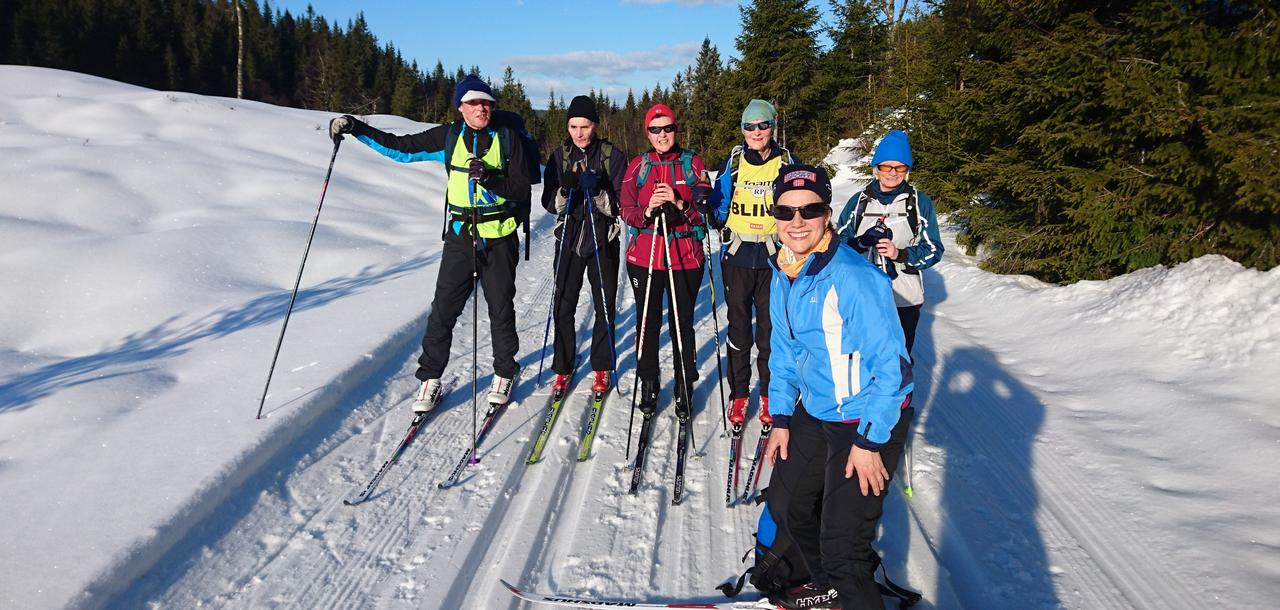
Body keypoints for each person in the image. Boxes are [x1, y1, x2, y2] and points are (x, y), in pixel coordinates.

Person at [328, 75, 533, 410]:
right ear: (461, 107)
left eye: (486, 103)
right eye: (474, 103)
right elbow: (400, 148)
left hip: (499, 236)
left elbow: (522, 188)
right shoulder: (449, 136)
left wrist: (491, 179)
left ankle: (505, 371)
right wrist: (357, 128)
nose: (482, 108)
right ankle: (430, 379)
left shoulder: (508, 137)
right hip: (459, 237)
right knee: (443, 311)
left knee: (500, 309)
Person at [763, 164, 913, 610]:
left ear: (827, 214)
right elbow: (784, 354)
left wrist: (869, 442)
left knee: (843, 547)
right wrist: (782, 418)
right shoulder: (785, 270)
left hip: (866, 417)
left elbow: (895, 369)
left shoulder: (853, 276)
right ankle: (832, 592)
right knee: (788, 505)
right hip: (817, 410)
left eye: (809, 210)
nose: (797, 221)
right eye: (787, 211)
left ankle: (848, 588)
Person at [707, 99, 799, 428]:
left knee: (771, 332)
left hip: (776, 257)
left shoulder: (787, 162)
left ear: (772, 127)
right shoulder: (732, 162)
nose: (756, 132)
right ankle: (739, 394)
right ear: (743, 130)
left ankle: (769, 394)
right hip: (738, 255)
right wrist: (709, 206)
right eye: (750, 126)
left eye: (763, 125)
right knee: (739, 329)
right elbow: (718, 207)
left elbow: (801, 202)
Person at [618, 103, 707, 420]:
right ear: (647, 133)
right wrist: (645, 212)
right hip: (645, 257)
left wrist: (680, 202)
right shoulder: (637, 167)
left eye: (667, 128)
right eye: (655, 129)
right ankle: (649, 381)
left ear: (676, 130)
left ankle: (685, 382)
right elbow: (625, 208)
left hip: (685, 257)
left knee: (682, 323)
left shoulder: (692, 164)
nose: (662, 134)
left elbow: (707, 210)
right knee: (647, 322)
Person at [540, 95, 629, 394]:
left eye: (585, 126)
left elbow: (621, 205)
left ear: (595, 125)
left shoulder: (611, 155)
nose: (579, 133)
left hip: (602, 239)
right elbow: (548, 204)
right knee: (563, 305)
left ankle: (601, 366)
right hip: (568, 239)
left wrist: (600, 190)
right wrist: (565, 190)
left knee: (604, 305)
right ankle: (563, 367)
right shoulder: (559, 155)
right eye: (573, 126)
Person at [834, 129, 943, 356]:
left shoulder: (918, 203)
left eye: (900, 167)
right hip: (864, 294)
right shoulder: (859, 202)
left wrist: (900, 254)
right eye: (886, 166)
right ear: (876, 169)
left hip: (904, 298)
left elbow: (933, 249)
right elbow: (837, 245)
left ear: (907, 170)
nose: (892, 173)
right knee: (862, 358)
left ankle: (902, 393)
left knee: (900, 361)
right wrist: (861, 243)